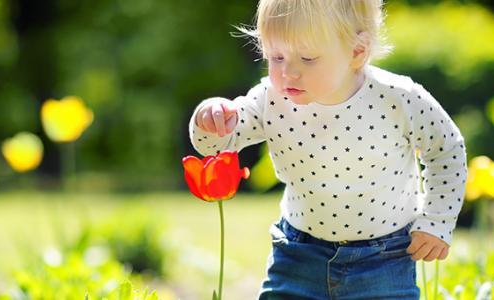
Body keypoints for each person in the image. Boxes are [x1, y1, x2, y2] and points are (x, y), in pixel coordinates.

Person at [188, 0, 467, 298]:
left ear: (357, 51)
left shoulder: (399, 98)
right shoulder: (269, 99)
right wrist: (209, 119)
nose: (289, 72)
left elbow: (446, 149)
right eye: (277, 56)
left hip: (385, 258)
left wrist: (436, 220)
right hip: (298, 254)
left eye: (307, 58)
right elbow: (215, 145)